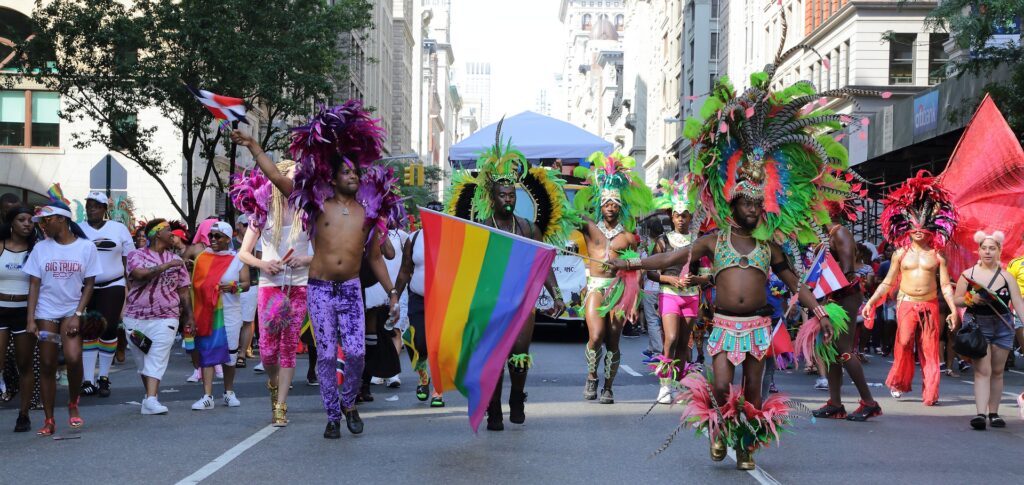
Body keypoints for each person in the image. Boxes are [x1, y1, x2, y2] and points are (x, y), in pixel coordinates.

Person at [609, 48, 880, 467]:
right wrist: (630, 264)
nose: (753, 209)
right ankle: (719, 430)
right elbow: (671, 258)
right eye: (746, 203)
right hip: (721, 326)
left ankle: (747, 446)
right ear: (733, 204)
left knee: (753, 392)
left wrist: (819, 313)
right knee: (721, 388)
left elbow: (795, 284)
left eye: (759, 204)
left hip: (758, 328)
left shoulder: (771, 248)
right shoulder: (712, 241)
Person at [231, 101, 402, 439]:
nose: (353, 175)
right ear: (334, 177)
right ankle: (332, 416)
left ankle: (349, 402)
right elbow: (277, 176)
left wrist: (393, 292)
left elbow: (375, 258)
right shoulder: (315, 203)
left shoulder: (368, 213)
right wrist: (252, 145)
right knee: (325, 355)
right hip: (321, 289)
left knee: (355, 353)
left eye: (356, 172)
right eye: (346, 171)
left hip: (351, 289)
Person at [444, 129, 571, 430]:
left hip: (522, 301)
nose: (508, 199)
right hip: (491, 301)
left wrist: (557, 296)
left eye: (512, 195)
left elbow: (544, 267)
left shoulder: (529, 229)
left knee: (518, 355)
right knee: (494, 357)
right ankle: (493, 409)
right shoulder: (481, 228)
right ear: (492, 197)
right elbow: (468, 268)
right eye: (502, 195)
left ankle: (516, 397)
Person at [863, 171, 959, 406]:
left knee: (929, 349)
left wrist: (954, 310)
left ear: (931, 228)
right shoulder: (899, 254)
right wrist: (872, 301)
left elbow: (945, 285)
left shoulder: (937, 255)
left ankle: (930, 391)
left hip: (930, 304)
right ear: (906, 226)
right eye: (913, 226)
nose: (918, 230)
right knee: (904, 342)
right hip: (905, 303)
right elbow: (888, 282)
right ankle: (899, 382)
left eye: (922, 227)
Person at [232, 161, 311, 426]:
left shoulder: (308, 211)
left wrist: (305, 259)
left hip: (298, 286)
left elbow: (323, 250)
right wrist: (263, 264)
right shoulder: (261, 213)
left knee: (289, 346)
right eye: (293, 175)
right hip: (269, 285)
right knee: (267, 350)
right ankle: (274, 384)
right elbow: (243, 252)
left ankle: (281, 405)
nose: (297, 180)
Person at [574, 151, 654, 405]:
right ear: (600, 203)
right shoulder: (589, 227)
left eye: (615, 203)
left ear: (620, 206)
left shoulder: (629, 237)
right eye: (606, 202)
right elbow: (563, 216)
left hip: (618, 290)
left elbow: (637, 268)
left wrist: (634, 301)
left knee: (612, 341)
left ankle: (608, 387)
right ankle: (591, 377)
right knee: (595, 336)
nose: (610, 206)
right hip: (596, 287)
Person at [23, 201, 101, 435]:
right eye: (42, 222)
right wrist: (30, 319)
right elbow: (34, 285)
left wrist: (78, 313)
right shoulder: (41, 248)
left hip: (71, 311)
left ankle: (73, 403)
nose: (43, 226)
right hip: (46, 311)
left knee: (73, 357)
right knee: (47, 363)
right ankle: (49, 420)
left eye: (47, 221)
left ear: (62, 220)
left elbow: (89, 284)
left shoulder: (86, 247)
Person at [809, 207, 882, 421]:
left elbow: (848, 271)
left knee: (843, 349)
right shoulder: (828, 235)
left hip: (845, 296)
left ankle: (869, 403)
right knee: (830, 349)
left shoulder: (839, 232)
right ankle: (835, 403)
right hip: (834, 296)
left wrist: (825, 288)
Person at [123, 219, 194, 415]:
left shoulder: (177, 261)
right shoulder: (135, 255)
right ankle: (149, 398)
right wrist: (167, 265)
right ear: (157, 233)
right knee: (143, 362)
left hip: (167, 317)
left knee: (157, 356)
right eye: (169, 230)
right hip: (135, 318)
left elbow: (184, 291)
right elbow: (140, 274)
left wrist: (189, 317)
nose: (173, 234)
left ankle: (152, 399)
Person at [954, 231, 1024, 429]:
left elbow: (1018, 303)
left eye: (992, 248)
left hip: (1003, 325)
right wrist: (970, 299)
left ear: (999, 251)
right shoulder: (968, 274)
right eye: (984, 248)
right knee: (982, 370)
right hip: (978, 324)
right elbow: (957, 298)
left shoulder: (1007, 277)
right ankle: (980, 414)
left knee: (998, 371)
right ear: (978, 250)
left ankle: (994, 413)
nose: (987, 252)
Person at [648, 179, 707, 404]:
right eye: (677, 215)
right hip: (669, 294)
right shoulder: (663, 242)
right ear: (671, 217)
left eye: (685, 215)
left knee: (684, 343)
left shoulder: (698, 243)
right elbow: (651, 272)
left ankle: (678, 384)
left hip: (691, 296)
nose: (681, 219)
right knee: (670, 338)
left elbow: (708, 275)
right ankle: (664, 385)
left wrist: (696, 279)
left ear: (690, 217)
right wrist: (670, 278)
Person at [79, 191, 135, 398]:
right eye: (89, 205)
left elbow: (128, 260)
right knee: (89, 330)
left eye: (96, 205)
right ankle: (87, 380)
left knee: (109, 327)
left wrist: (131, 288)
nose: (91, 208)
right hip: (86, 287)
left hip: (114, 284)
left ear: (105, 209)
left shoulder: (118, 229)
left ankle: (103, 377)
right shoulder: (77, 229)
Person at [189, 221, 250, 410]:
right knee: (207, 351)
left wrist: (233, 287)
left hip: (230, 312)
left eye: (217, 236)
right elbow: (196, 286)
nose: (213, 240)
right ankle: (207, 396)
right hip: (206, 311)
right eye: (211, 236)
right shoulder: (202, 258)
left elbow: (246, 283)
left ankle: (228, 392)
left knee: (230, 354)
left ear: (227, 238)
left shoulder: (237, 258)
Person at [395, 202, 443, 407]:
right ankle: (423, 376)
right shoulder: (414, 239)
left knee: (439, 347)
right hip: (418, 298)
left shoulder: (453, 239)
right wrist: (394, 295)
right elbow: (406, 270)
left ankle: (438, 391)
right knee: (420, 342)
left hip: (443, 301)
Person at [1, 207, 38, 431]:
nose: (27, 224)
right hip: (0, 308)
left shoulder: (37, 250)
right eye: (21, 220)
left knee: (24, 363)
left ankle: (23, 414)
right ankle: (9, 386)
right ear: (11, 223)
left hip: (25, 311)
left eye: (31, 221)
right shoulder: (1, 245)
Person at [233, 215, 260, 368]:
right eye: (245, 224)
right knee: (233, 319)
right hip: (232, 285)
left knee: (247, 320)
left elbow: (259, 262)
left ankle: (242, 353)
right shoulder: (229, 243)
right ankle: (233, 351)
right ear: (238, 226)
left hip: (252, 283)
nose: (248, 227)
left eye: (250, 225)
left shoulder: (258, 242)